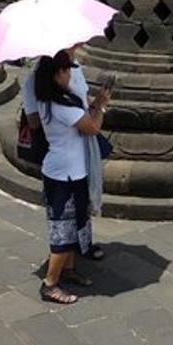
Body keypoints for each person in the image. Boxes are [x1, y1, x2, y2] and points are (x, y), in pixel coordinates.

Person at [35, 48, 111, 304]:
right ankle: (50, 283)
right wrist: (100, 104)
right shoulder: (59, 105)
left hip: (71, 170)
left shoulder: (55, 98)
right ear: (56, 74)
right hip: (62, 175)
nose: (70, 74)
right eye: (66, 70)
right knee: (63, 232)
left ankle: (67, 271)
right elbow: (91, 127)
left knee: (75, 224)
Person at [22, 46, 106, 261]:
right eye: (66, 71)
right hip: (61, 159)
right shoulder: (46, 94)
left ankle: (78, 251)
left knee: (79, 207)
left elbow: (83, 105)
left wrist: (88, 108)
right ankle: (53, 278)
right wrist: (71, 117)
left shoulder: (72, 73)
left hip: (76, 156)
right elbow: (34, 121)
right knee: (62, 222)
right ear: (57, 74)